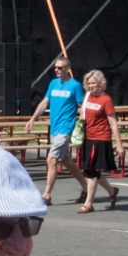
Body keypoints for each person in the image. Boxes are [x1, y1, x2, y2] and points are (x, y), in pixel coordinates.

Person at [25, 57, 89, 207]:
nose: (56, 70)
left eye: (60, 68)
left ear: (68, 68)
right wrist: (33, 118)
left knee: (51, 159)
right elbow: (44, 102)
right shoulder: (53, 84)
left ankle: (46, 195)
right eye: (55, 68)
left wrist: (83, 124)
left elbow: (82, 106)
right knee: (66, 160)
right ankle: (86, 187)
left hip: (66, 127)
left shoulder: (75, 86)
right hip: (54, 127)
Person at [76, 70, 123, 213]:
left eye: (94, 83)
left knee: (92, 171)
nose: (91, 86)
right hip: (88, 137)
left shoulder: (106, 100)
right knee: (90, 169)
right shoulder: (87, 96)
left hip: (101, 138)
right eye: (89, 83)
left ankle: (88, 203)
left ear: (100, 84)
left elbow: (113, 122)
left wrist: (119, 144)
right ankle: (111, 191)